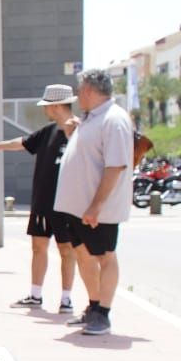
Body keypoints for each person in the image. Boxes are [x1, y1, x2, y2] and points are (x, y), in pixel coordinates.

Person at [0, 84, 79, 312]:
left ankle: (66, 298)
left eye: (48, 106)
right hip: (43, 201)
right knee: (38, 246)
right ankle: (35, 294)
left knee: (67, 250)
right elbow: (24, 142)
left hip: (68, 203)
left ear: (56, 106)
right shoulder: (49, 131)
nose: (45, 110)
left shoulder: (82, 131)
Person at [53, 68, 135, 336]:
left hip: (98, 210)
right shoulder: (91, 119)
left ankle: (104, 313)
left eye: (79, 91)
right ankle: (94, 306)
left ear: (88, 90)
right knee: (84, 255)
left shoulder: (114, 120)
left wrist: (96, 205)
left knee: (105, 256)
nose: (78, 96)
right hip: (78, 208)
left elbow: (116, 166)